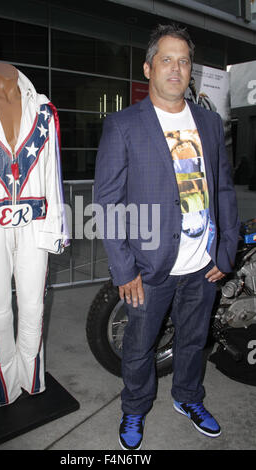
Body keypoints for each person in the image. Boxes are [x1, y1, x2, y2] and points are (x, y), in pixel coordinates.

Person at [94, 24, 240, 450]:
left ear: (190, 70)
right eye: (166, 59)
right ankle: (134, 408)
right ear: (148, 68)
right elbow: (108, 203)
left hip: (202, 265)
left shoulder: (210, 124)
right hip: (148, 268)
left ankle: (188, 397)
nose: (176, 68)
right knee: (140, 348)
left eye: (184, 60)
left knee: (194, 341)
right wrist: (124, 269)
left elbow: (225, 189)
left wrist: (225, 250)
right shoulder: (123, 125)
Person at [0, 63, 69, 408]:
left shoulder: (44, 110)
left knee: (34, 307)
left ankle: (32, 381)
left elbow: (52, 173)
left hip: (34, 223)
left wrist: (54, 228)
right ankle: (3, 389)